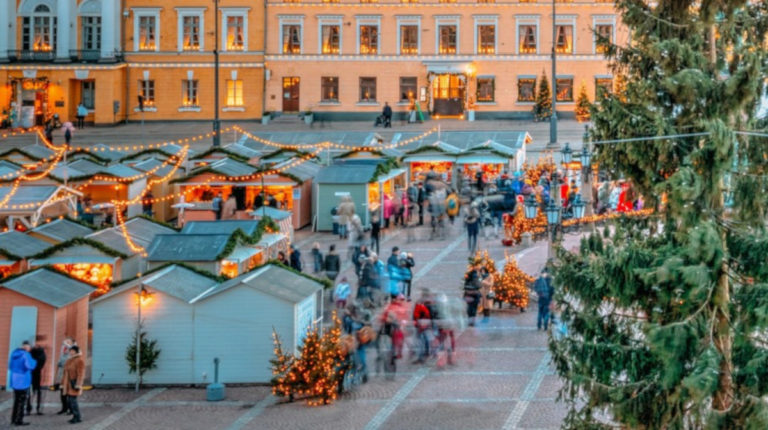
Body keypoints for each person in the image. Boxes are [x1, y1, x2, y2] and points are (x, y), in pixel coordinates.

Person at [9, 340, 36, 426]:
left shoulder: (14, 353)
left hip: (14, 379)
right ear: (28, 347)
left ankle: (13, 419)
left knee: (16, 401)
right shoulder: (26, 355)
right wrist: (34, 362)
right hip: (23, 380)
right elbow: (30, 366)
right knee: (22, 401)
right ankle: (19, 420)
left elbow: (10, 366)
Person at [61, 345, 85, 424]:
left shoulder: (79, 360)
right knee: (70, 401)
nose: (70, 352)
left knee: (73, 401)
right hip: (68, 384)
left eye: (71, 350)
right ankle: (75, 416)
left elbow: (81, 373)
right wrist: (62, 383)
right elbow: (65, 373)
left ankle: (77, 417)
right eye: (70, 350)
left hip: (74, 383)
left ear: (75, 351)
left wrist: (78, 384)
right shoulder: (69, 360)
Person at [26, 341, 47, 416]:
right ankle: (36, 409)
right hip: (35, 374)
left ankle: (32, 409)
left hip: (33, 374)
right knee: (36, 391)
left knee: (33, 392)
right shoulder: (40, 353)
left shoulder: (32, 353)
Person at [55, 339, 75, 416]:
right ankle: (64, 408)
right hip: (62, 377)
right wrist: (57, 378)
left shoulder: (72, 354)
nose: (65, 345)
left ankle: (71, 409)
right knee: (62, 393)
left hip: (69, 377)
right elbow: (59, 364)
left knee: (69, 393)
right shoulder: (63, 354)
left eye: (68, 342)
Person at [413, 290, 432, 364]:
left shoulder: (420, 303)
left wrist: (416, 322)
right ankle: (426, 353)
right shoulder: (429, 302)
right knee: (425, 339)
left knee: (420, 341)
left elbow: (416, 314)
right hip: (426, 323)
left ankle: (421, 357)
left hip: (421, 324)